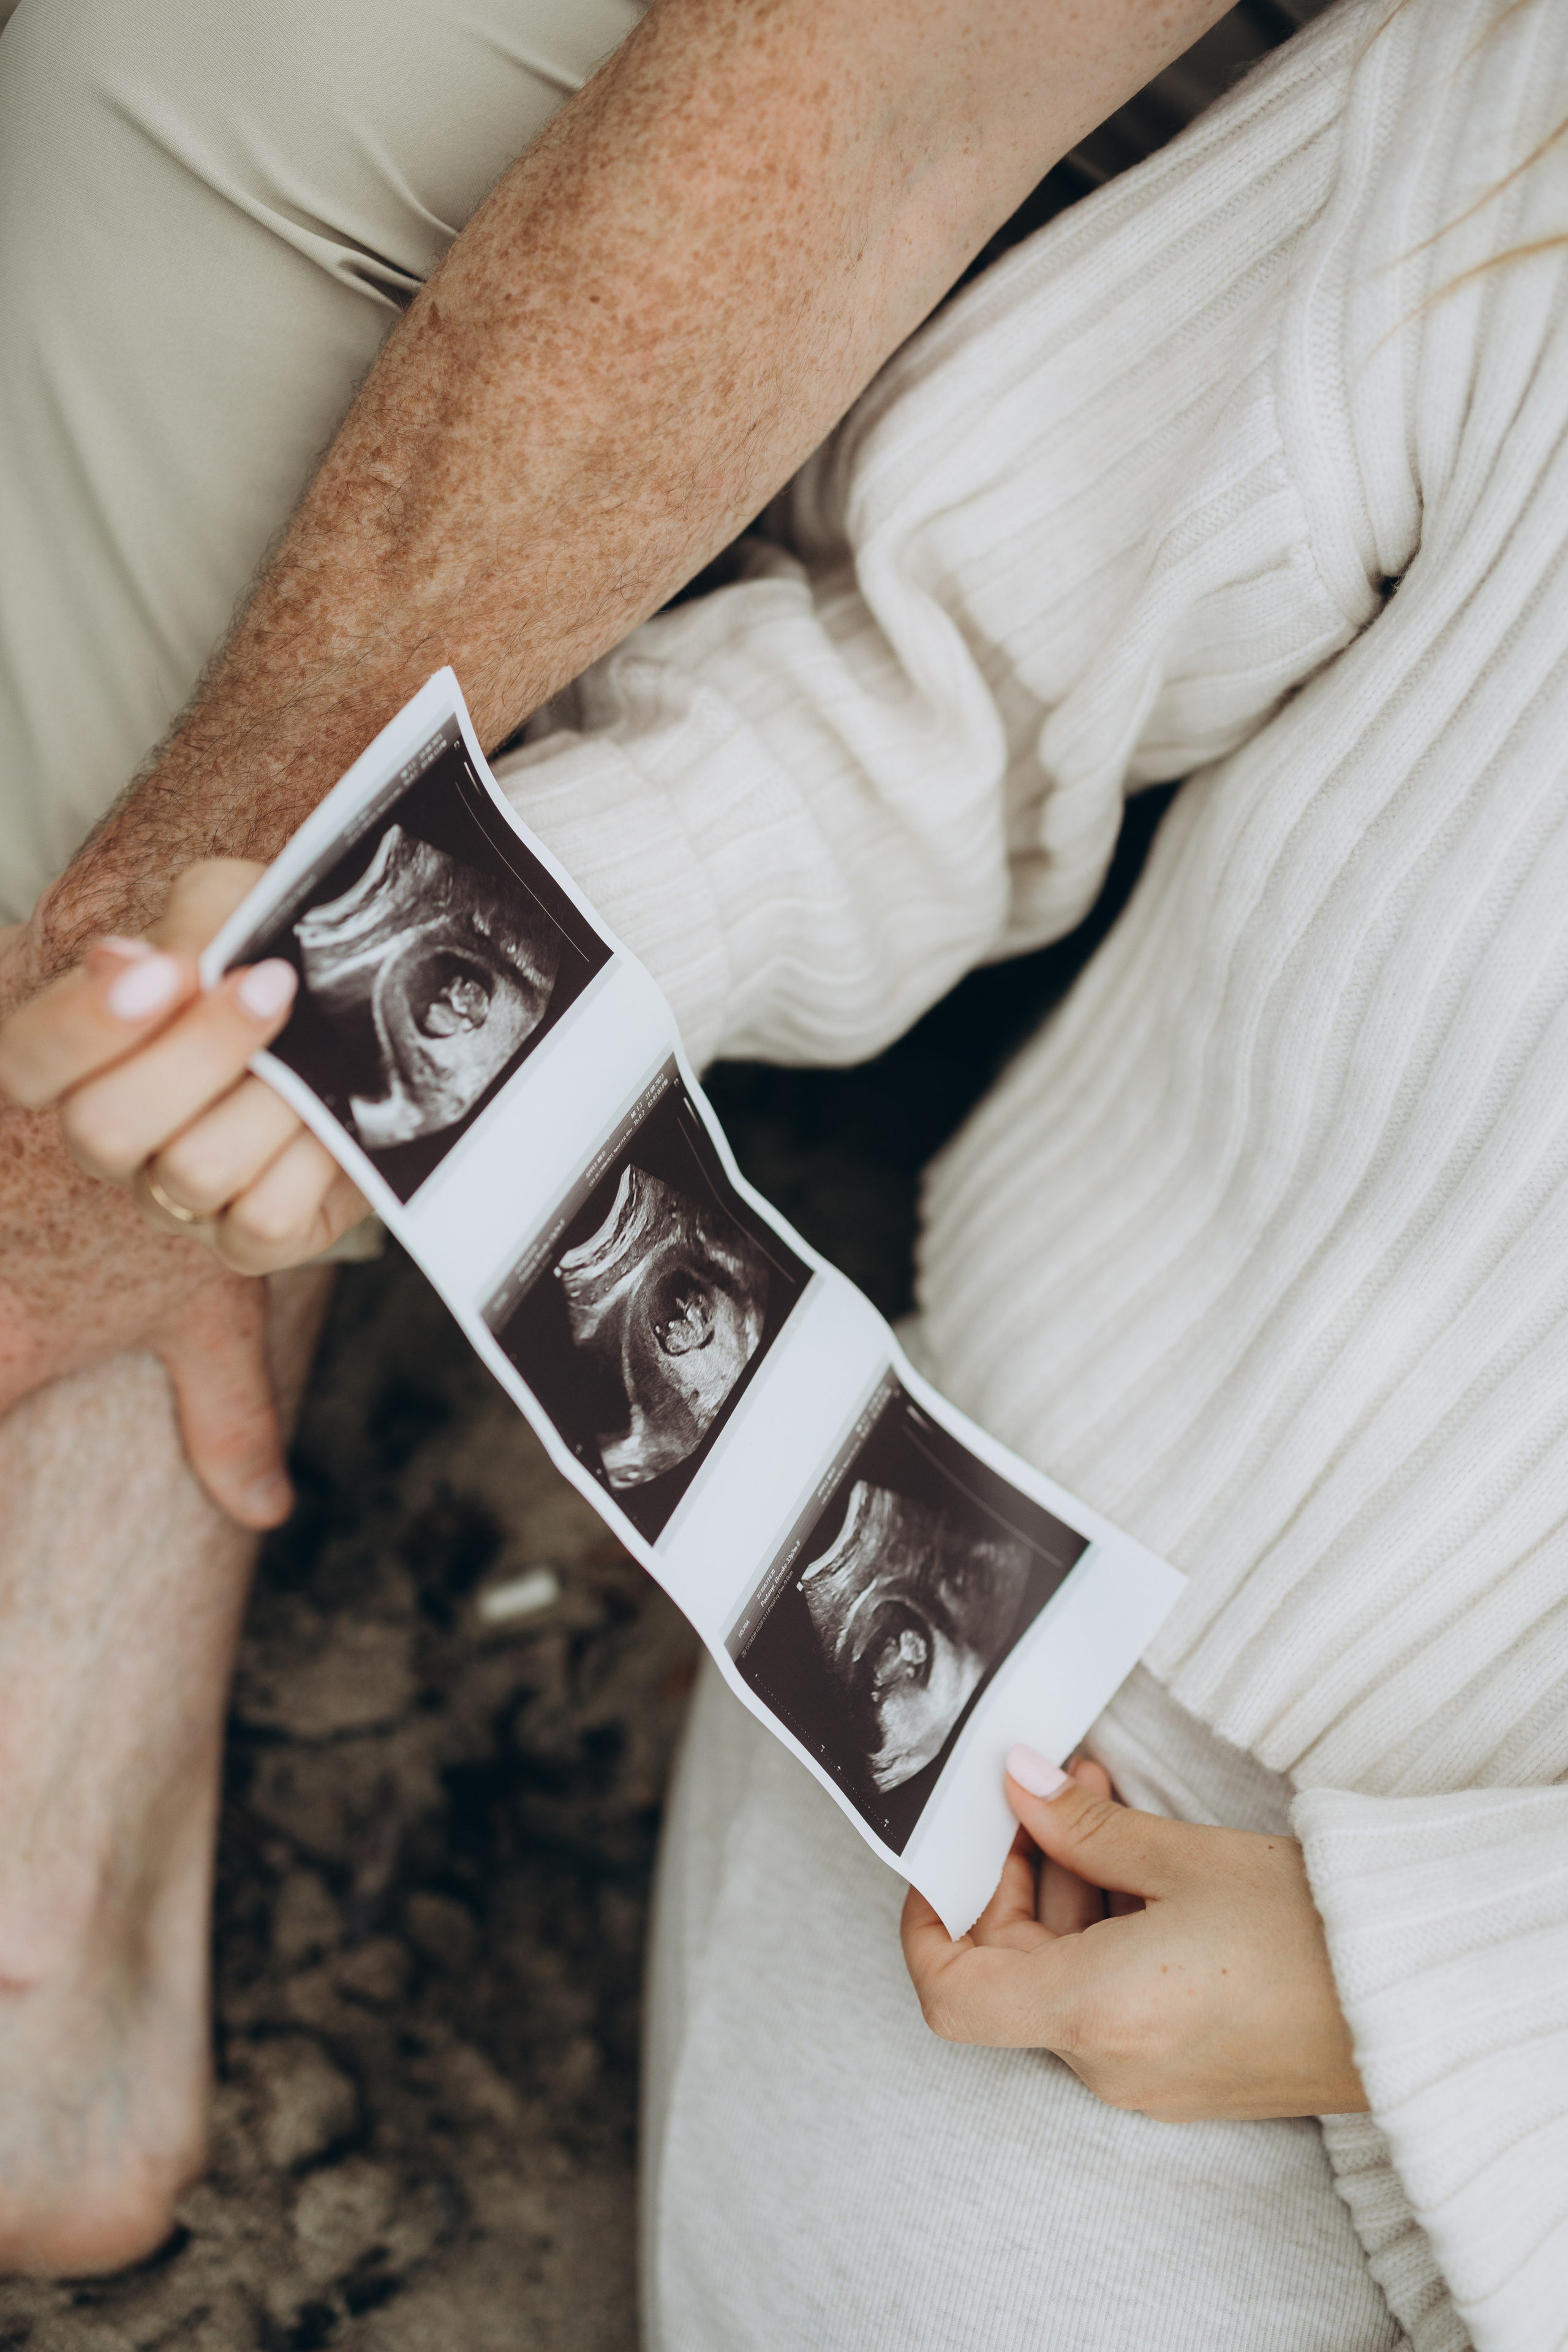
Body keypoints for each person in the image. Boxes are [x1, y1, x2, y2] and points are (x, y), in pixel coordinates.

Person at [9, 0, 1566, 2343]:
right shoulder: (1508, 119)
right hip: (1013, 1713)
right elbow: (945, 658)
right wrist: (441, 998)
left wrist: (1428, 1995)